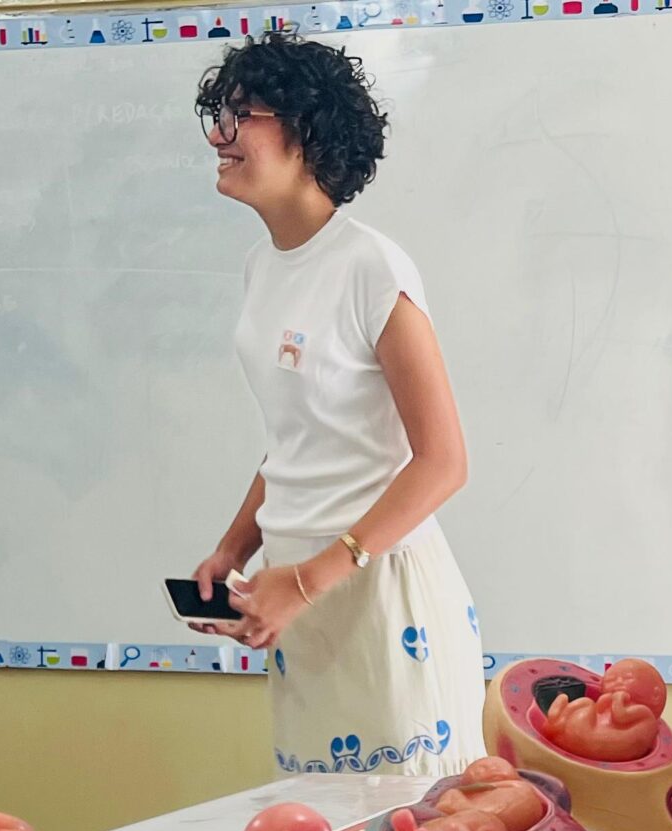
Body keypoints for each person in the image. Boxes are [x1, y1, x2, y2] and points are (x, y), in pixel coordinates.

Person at [189, 34, 485, 777]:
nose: (221, 134)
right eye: (220, 114)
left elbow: (444, 462)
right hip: (294, 599)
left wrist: (313, 576)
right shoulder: (263, 268)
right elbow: (297, 440)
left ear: (307, 134)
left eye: (244, 114)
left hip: (377, 598)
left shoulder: (371, 266)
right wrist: (234, 552)